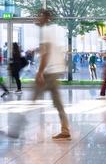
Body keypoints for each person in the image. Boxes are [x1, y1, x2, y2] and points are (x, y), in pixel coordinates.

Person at [31, 9, 71, 141]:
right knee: (57, 102)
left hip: (50, 70)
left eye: (39, 16)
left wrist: (40, 72)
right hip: (56, 68)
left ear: (46, 18)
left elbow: (46, 54)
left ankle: (16, 127)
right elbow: (51, 49)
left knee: (34, 95)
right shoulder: (53, 30)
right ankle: (65, 130)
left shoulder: (45, 31)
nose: (37, 17)